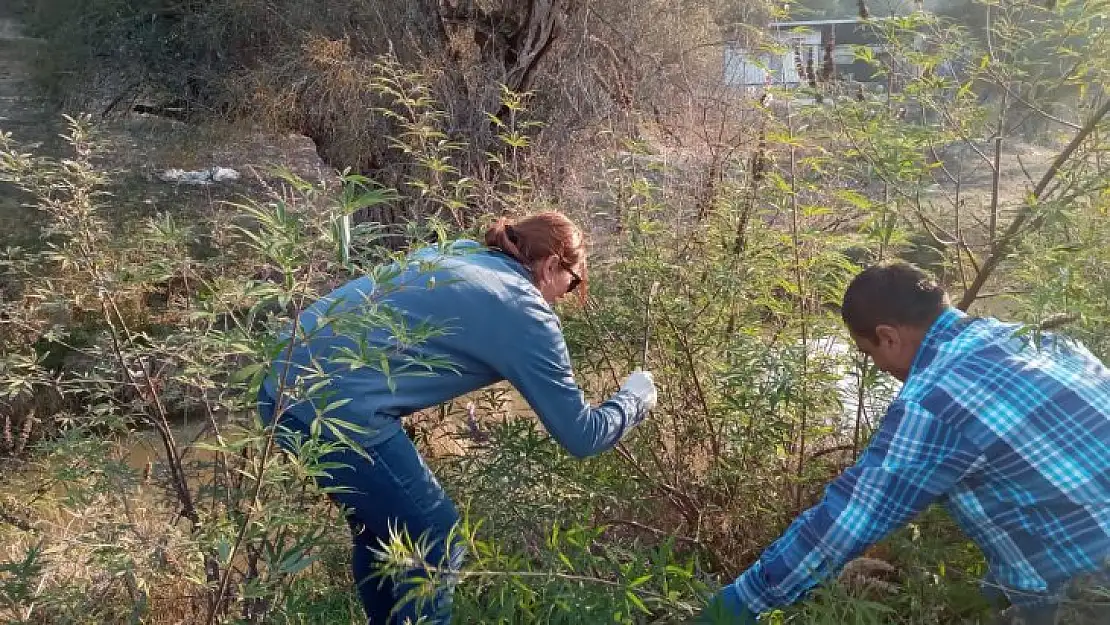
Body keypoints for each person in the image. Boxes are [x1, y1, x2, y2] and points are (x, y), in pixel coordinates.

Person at [257, 211, 658, 624]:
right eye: (572, 284)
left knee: (382, 533)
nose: (566, 297)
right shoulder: (525, 309)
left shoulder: (459, 252)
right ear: (552, 265)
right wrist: (634, 400)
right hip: (336, 410)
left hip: (278, 385)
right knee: (436, 533)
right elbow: (582, 435)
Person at [700, 262, 1110, 624]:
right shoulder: (1036, 340)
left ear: (887, 336)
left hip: (1091, 589)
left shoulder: (937, 399)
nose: (877, 366)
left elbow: (847, 521)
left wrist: (732, 609)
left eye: (868, 352)